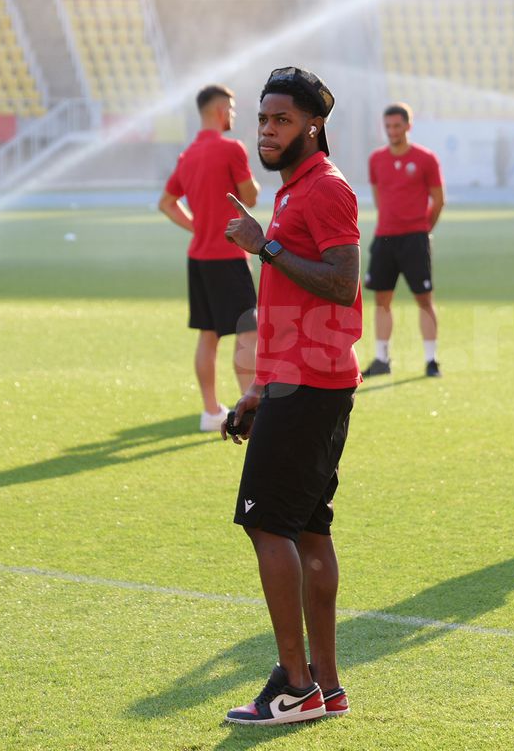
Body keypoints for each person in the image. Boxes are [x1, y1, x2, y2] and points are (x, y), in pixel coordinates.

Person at [220, 67, 362, 726]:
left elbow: (341, 284)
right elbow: (289, 306)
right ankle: (325, 686)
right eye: (262, 119)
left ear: (314, 126)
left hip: (312, 386)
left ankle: (294, 686)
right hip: (299, 383)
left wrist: (265, 245)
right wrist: (259, 389)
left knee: (266, 524)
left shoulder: (326, 188)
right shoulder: (296, 190)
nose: (266, 131)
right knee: (309, 530)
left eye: (281, 120)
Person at [158, 84, 261, 432]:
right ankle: (251, 408)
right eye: (230, 108)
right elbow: (250, 197)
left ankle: (210, 411)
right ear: (219, 111)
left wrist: (197, 227)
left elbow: (166, 203)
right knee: (248, 330)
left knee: (208, 334)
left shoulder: (187, 155)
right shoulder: (232, 149)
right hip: (227, 256)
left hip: (199, 257)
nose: (233, 114)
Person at [361, 102, 445, 378]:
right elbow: (378, 197)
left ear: (409, 125)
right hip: (385, 238)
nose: (392, 131)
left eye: (397, 125)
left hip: (414, 239)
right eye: (388, 126)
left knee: (424, 299)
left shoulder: (425, 158)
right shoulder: (376, 159)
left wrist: (422, 228)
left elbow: (438, 200)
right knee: (382, 300)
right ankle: (382, 358)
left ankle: (431, 360)